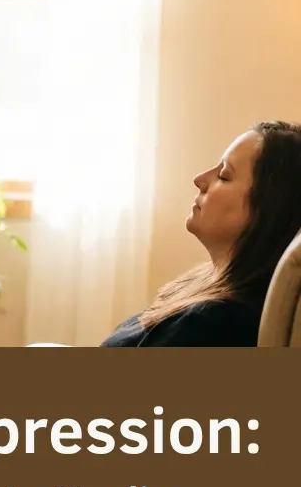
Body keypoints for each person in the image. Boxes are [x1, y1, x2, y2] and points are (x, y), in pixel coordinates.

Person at [101, 120, 301, 347]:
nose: (199, 179)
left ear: (269, 208)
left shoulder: (210, 326)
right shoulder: (209, 294)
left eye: (224, 175)